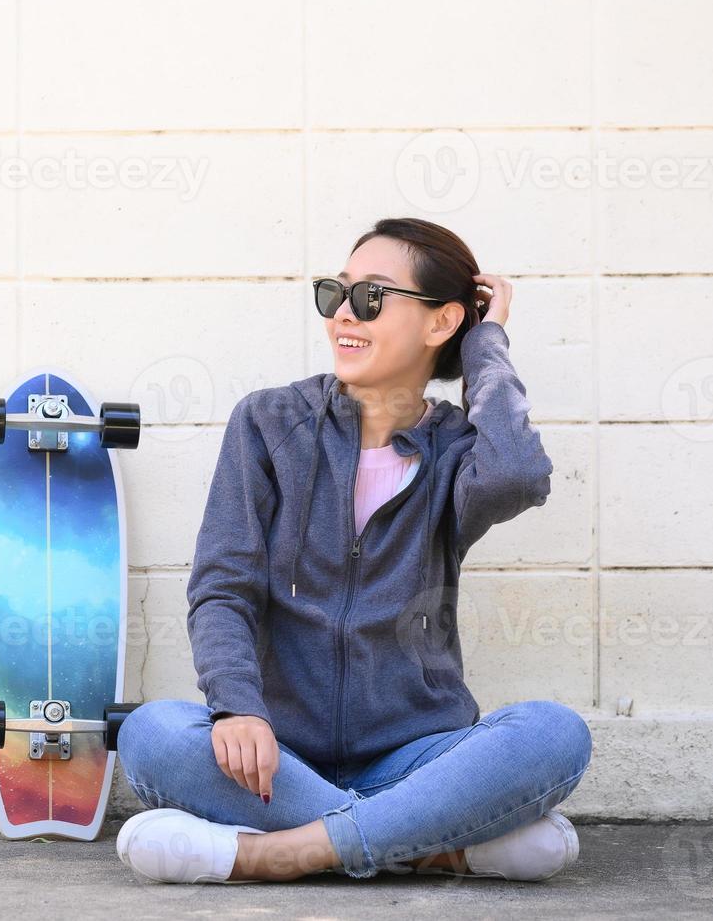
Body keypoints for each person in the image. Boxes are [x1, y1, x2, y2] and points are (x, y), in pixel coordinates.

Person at [115, 218, 591, 884]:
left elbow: (515, 474)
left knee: (553, 734)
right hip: (276, 759)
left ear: (439, 322)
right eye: (334, 293)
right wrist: (236, 705)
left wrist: (486, 342)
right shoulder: (269, 422)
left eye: (370, 297)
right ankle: (427, 843)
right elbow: (223, 587)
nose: (343, 313)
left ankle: (279, 853)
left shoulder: (456, 451)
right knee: (152, 734)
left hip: (415, 755)